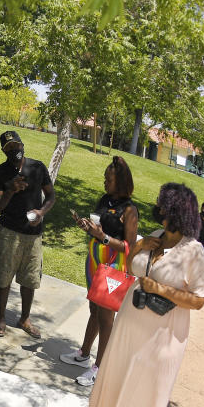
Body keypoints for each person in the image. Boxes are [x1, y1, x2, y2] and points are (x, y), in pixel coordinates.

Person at [83, 183, 204, 407]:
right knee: (115, 371)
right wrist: (139, 247)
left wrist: (162, 290)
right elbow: (131, 268)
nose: (158, 210)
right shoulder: (155, 237)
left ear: (177, 213)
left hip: (162, 331)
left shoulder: (195, 253)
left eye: (164, 207)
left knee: (146, 387)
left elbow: (200, 300)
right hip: (131, 318)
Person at [60, 156, 139, 387]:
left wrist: (102, 236)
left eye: (109, 179)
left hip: (113, 269)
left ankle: (99, 368)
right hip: (94, 263)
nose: (105, 182)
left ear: (121, 182)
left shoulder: (130, 210)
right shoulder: (106, 199)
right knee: (94, 309)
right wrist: (88, 227)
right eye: (105, 178)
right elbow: (100, 227)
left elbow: (129, 246)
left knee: (106, 319)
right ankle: (84, 354)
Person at [0, 130, 56, 338]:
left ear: (22, 145)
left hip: (33, 234)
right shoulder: (0, 172)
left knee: (30, 278)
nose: (14, 150)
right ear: (3, 151)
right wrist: (10, 190)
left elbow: (51, 195)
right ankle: (1, 318)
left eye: (16, 146)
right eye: (9, 148)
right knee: (4, 275)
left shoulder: (37, 167)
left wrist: (41, 212)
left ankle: (25, 318)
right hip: (9, 231)